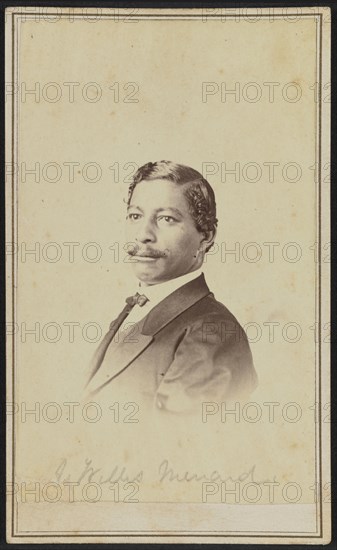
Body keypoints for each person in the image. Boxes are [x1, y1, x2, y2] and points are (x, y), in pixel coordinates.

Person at [85, 160, 257, 414]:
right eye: (135, 216)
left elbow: (179, 445)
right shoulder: (135, 309)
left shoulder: (214, 333)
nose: (143, 234)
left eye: (166, 218)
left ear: (206, 236)